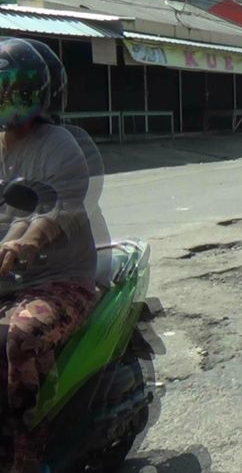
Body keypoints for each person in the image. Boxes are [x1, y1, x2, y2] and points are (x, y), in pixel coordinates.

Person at [0, 38, 96, 472]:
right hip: (7, 282)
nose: (7, 99)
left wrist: (28, 242)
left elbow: (56, 205)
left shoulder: (58, 144)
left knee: (18, 337)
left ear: (35, 94)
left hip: (59, 281)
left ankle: (28, 453)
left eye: (15, 90)